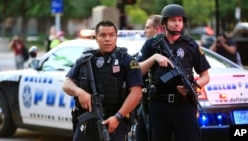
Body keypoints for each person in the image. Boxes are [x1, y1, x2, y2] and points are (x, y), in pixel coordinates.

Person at [137, 4, 210, 141]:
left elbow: (205, 76)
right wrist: (154, 58)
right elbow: (137, 70)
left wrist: (194, 86)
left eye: (180, 20)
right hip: (159, 104)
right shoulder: (152, 44)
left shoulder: (191, 45)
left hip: (185, 104)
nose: (177, 24)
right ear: (164, 23)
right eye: (173, 20)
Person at [62, 20, 143, 141]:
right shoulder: (86, 59)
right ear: (96, 38)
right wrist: (80, 92)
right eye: (102, 35)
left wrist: (118, 117)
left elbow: (136, 93)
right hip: (88, 121)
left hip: (115, 120)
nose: (107, 39)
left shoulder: (126, 61)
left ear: (116, 37)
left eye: (111, 35)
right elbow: (67, 83)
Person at [135, 14, 164, 141]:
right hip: (148, 100)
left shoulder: (174, 47)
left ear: (158, 29)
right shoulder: (148, 47)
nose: (144, 31)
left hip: (160, 103)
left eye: (148, 27)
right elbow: (136, 69)